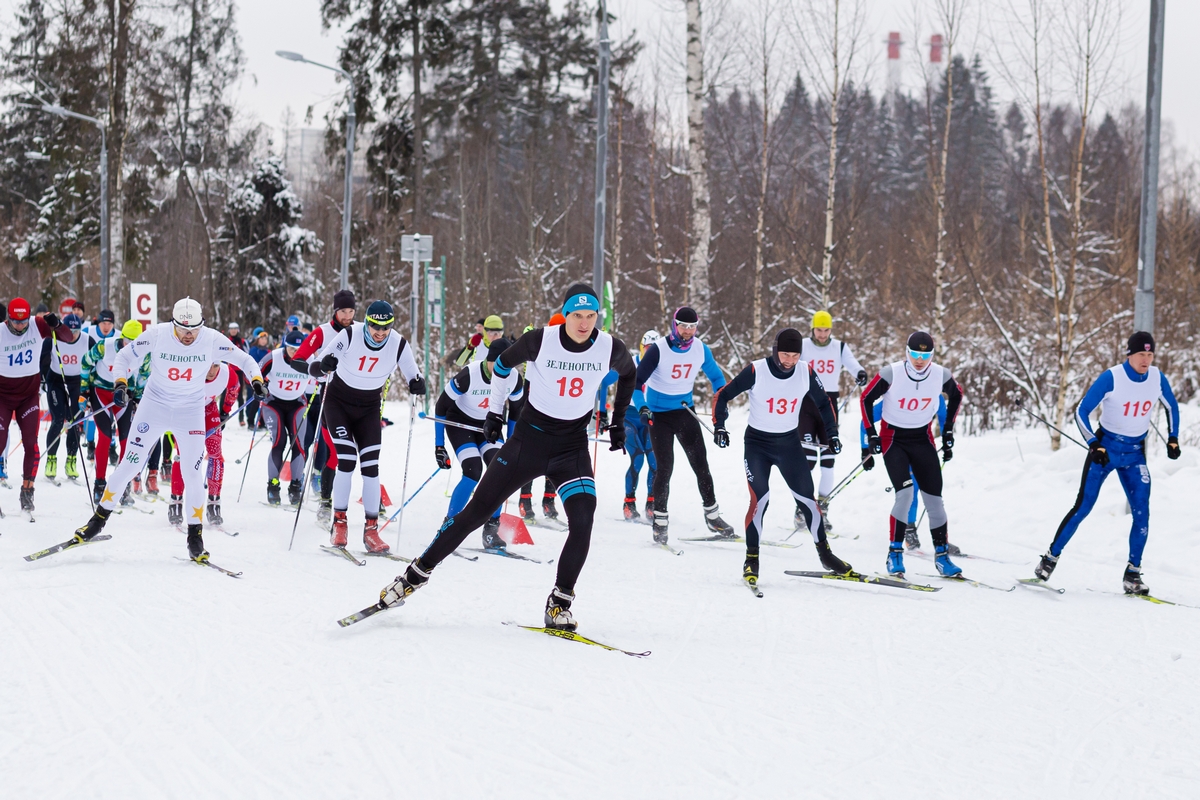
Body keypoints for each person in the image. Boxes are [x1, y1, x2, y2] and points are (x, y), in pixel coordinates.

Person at [378, 283, 636, 631]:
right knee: (475, 513)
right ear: (566, 314)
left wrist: (618, 422)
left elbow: (630, 373)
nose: (584, 322)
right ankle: (414, 575)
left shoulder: (608, 346)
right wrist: (495, 413)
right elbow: (500, 365)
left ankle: (559, 603)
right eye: (577, 315)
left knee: (584, 520)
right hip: (527, 444)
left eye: (591, 316)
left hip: (571, 449)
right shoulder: (541, 340)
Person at [70, 298, 267, 561]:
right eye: (183, 330)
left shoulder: (210, 339)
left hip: (190, 412)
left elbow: (245, 360)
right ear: (173, 324)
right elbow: (125, 355)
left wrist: (256, 381)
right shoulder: (159, 334)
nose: (188, 336)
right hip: (155, 406)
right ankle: (97, 522)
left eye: (193, 331)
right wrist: (120, 384)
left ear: (202, 326)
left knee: (193, 474)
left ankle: (195, 537)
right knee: (130, 465)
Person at [1033, 332, 1181, 595]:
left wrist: (1173, 438)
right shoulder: (1112, 377)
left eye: (1150, 354)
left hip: (1135, 453)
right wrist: (1093, 443)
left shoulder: (1157, 377)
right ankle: (1050, 558)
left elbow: (1172, 406)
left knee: (1142, 513)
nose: (1146, 359)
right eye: (1141, 354)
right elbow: (1082, 411)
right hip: (1106, 449)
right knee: (1083, 507)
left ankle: (1132, 574)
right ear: (1129, 354)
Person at [713, 328, 853, 585]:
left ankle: (826, 555)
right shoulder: (756, 370)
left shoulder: (806, 371)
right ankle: (751, 559)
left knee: (808, 502)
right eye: (785, 354)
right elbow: (724, 395)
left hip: (789, 444)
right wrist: (720, 426)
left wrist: (832, 434)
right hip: (757, 444)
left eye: (795, 355)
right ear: (775, 350)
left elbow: (824, 403)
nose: (789, 360)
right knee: (760, 500)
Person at [302, 300, 425, 554]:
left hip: (368, 409)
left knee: (371, 466)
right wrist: (324, 366)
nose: (380, 332)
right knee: (346, 460)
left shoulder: (398, 343)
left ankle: (371, 530)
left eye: (386, 327)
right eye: (375, 326)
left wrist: (417, 383)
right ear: (367, 322)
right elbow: (315, 367)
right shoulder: (349, 334)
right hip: (338, 405)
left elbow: (414, 374)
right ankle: (339, 524)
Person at [860, 331, 964, 579]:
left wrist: (947, 429)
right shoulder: (892, 372)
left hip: (922, 439)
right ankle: (894, 553)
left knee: (935, 501)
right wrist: (870, 435)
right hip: (893, 438)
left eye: (925, 355)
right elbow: (865, 399)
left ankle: (942, 558)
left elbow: (957, 394)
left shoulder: (940, 374)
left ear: (932, 355)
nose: (919, 360)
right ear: (907, 352)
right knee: (905, 494)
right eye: (915, 354)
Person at [635, 306, 734, 545]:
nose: (688, 331)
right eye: (683, 326)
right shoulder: (658, 349)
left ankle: (713, 516)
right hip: (659, 417)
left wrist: (719, 408)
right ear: (674, 325)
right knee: (664, 468)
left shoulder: (700, 349)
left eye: (692, 327)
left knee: (701, 464)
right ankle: (660, 522)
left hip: (684, 412)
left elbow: (717, 379)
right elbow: (636, 382)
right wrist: (643, 407)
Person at [433, 338, 524, 549]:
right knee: (473, 470)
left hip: (489, 426)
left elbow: (516, 411)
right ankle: (448, 527)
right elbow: (441, 406)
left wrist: (511, 442)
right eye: (498, 365)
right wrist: (439, 445)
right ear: (489, 360)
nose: (502, 370)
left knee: (501, 469)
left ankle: (491, 530)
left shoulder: (514, 378)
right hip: (461, 424)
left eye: (507, 366)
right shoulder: (469, 374)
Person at [797, 311, 868, 532]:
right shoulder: (803, 345)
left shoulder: (839, 347)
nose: (822, 334)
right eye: (819, 330)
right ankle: (802, 508)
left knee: (828, 460)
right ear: (812, 329)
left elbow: (852, 364)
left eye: (826, 330)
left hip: (828, 404)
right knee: (808, 461)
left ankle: (823, 508)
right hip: (806, 404)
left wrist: (860, 372)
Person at [291, 288, 357, 520]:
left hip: (357, 399)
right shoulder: (322, 332)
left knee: (357, 452)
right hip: (329, 395)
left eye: (351, 311)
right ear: (335, 311)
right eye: (343, 311)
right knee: (335, 452)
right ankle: (327, 502)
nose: (347, 316)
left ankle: (364, 502)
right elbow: (298, 358)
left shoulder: (360, 331)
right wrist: (317, 370)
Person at [0, 298, 61, 510]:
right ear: (8, 318)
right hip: (3, 397)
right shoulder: (0, 332)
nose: (20, 326)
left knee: (31, 443)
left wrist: (56, 324)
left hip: (28, 397)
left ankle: (27, 491)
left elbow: (67, 338)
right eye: (15, 322)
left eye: (23, 321)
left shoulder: (36, 324)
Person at [166, 360, 239, 527]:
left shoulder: (227, 373)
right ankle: (175, 501)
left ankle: (214, 502)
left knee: (215, 453)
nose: (212, 371)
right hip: (185, 411)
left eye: (215, 365)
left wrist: (225, 411)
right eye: (208, 365)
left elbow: (234, 388)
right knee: (183, 455)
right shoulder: (188, 369)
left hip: (208, 409)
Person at [81, 321, 145, 504]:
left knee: (127, 439)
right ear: (121, 337)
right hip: (101, 392)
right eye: (127, 341)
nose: (131, 347)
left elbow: (143, 377)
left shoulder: (143, 354)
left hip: (123, 396)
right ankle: (99, 484)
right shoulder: (106, 346)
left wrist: (138, 398)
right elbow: (85, 363)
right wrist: (83, 391)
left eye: (135, 343)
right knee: (106, 437)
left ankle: (122, 485)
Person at [514, 315, 566, 523]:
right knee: (532, 457)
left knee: (556, 459)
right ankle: (524, 501)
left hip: (559, 414)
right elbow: (528, 384)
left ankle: (549, 501)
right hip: (536, 411)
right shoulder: (541, 349)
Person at [259, 330, 315, 506]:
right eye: (291, 348)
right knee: (279, 441)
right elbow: (254, 373)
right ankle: (273, 486)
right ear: (285, 346)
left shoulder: (310, 359)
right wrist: (259, 387)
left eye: (299, 348)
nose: (295, 352)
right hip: (273, 402)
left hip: (297, 403)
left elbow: (323, 376)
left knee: (298, 443)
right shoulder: (273, 357)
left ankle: (295, 486)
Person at [41, 312, 93, 480]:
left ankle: (71, 460)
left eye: (76, 332)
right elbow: (43, 358)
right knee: (58, 419)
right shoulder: (53, 338)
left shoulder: (87, 340)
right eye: (69, 332)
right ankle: (51, 459)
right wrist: (43, 378)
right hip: (56, 380)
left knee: (75, 421)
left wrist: (91, 386)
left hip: (77, 382)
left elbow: (97, 362)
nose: (72, 336)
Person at [83, 309, 117, 462]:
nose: (106, 327)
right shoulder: (88, 331)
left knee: (112, 417)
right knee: (92, 416)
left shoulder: (119, 336)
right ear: (98, 323)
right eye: (103, 323)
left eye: (109, 324)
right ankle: (90, 444)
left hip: (109, 380)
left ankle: (112, 447)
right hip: (90, 379)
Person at [226, 321, 250, 426]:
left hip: (239, 371)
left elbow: (247, 355)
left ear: (238, 330)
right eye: (232, 329)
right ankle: (221, 416)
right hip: (228, 370)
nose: (233, 331)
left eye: (235, 329)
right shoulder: (226, 341)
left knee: (239, 395)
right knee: (225, 393)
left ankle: (241, 418)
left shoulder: (242, 341)